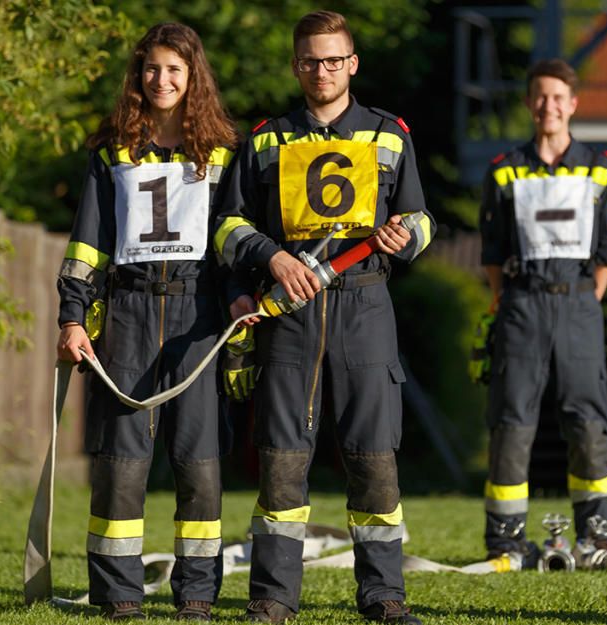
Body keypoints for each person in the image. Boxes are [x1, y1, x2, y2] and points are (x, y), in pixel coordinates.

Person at [211, 10, 434, 624]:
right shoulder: (264, 139)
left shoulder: (391, 134)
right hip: (290, 311)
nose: (322, 70)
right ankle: (273, 597)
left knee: (374, 457)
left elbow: (422, 219)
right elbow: (229, 226)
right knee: (281, 457)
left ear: (352, 64)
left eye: (334, 59)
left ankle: (384, 595)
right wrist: (270, 258)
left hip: (366, 305)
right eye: (310, 60)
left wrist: (403, 237)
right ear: (295, 65)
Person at [54, 22, 236, 622]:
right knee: (120, 465)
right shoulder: (110, 152)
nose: (162, 80)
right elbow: (89, 243)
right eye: (152, 69)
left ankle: (197, 595)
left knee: (199, 466)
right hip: (129, 312)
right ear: (138, 76)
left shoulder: (223, 152)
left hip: (198, 315)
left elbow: (235, 241)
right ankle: (118, 594)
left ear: (193, 77)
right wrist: (73, 317)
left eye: (175, 70)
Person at [477, 58, 607, 564]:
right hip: (521, 304)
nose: (549, 106)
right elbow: (492, 254)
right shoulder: (503, 168)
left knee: (588, 422)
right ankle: (507, 541)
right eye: (540, 96)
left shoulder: (601, 167)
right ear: (528, 103)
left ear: (574, 104)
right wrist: (513, 300)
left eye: (559, 97)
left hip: (580, 303)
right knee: (512, 421)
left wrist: (582, 301)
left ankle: (595, 536)